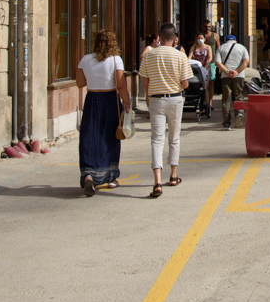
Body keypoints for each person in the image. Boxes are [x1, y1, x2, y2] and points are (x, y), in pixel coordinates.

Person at [139, 23, 191, 198]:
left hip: (156, 99)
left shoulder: (149, 55)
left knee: (156, 140)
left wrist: (148, 95)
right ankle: (173, 175)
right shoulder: (180, 56)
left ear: (159, 37)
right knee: (174, 138)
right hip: (175, 98)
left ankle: (157, 181)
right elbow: (185, 83)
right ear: (174, 37)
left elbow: (145, 81)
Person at [74, 29, 129, 196]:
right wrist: (127, 102)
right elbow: (120, 85)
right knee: (110, 138)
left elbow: (79, 83)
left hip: (92, 99)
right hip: (110, 100)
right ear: (113, 43)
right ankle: (110, 177)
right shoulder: (115, 60)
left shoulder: (85, 59)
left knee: (90, 137)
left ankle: (89, 175)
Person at [216, 33, 250, 130]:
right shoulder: (242, 47)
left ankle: (226, 123)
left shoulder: (221, 48)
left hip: (225, 76)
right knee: (238, 96)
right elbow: (246, 61)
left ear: (226, 40)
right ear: (235, 41)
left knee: (226, 99)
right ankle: (239, 113)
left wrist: (227, 71)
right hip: (239, 76)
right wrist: (237, 71)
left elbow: (218, 63)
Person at [187, 35, 212, 117]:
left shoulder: (208, 47)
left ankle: (206, 103)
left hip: (204, 68)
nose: (200, 40)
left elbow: (209, 58)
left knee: (205, 86)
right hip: (195, 69)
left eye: (201, 38)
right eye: (198, 38)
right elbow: (189, 57)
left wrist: (205, 67)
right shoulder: (194, 47)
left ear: (204, 39)